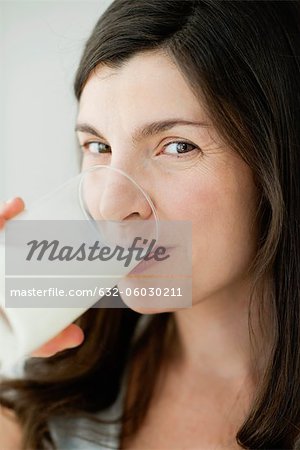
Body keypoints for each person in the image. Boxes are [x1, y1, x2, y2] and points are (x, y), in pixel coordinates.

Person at [0, 0, 300, 448]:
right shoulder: (44, 404)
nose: (109, 204)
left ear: (278, 164)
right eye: (98, 146)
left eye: (177, 147)